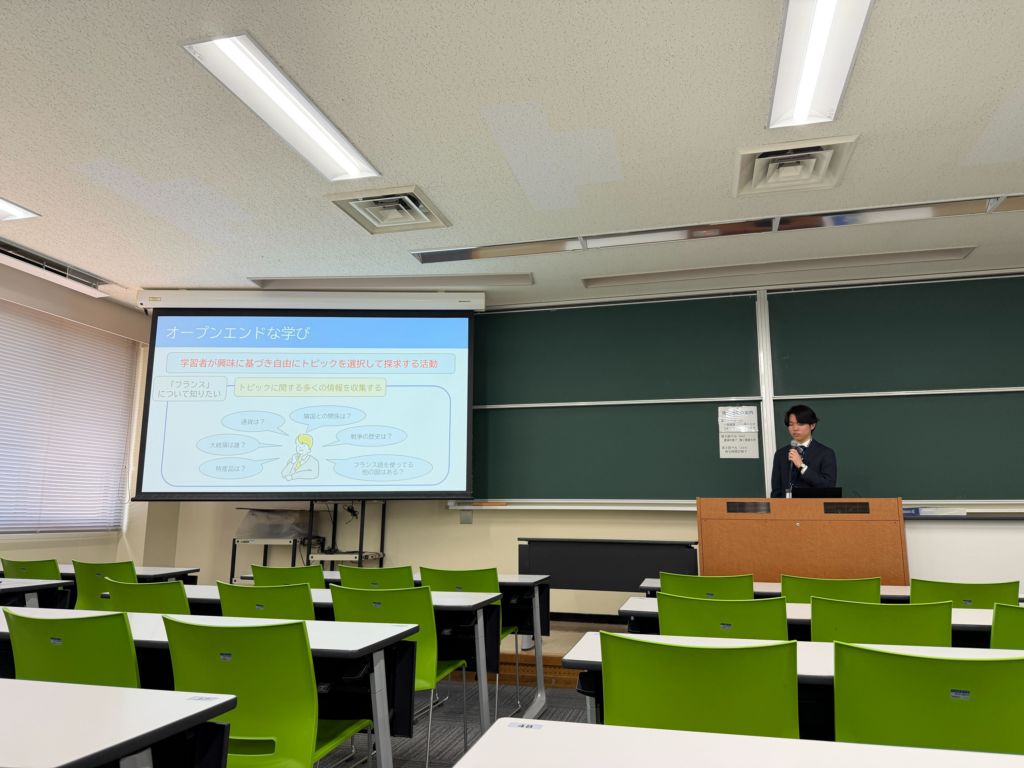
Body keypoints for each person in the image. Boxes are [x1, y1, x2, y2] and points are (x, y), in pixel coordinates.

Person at [770, 405, 837, 498]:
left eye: (800, 424)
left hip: (813, 505)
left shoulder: (825, 453)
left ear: (812, 425)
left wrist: (802, 467)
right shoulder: (781, 454)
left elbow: (829, 486)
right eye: (791, 424)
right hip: (787, 506)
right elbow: (776, 490)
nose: (795, 428)